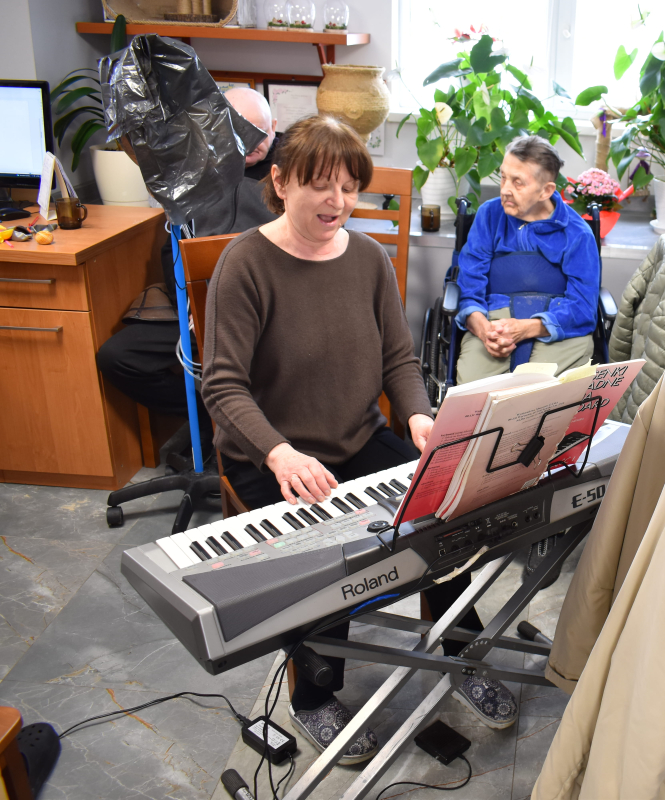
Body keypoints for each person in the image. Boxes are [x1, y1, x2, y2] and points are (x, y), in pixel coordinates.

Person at [201, 117, 516, 765]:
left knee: (446, 512)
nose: (338, 202)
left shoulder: (368, 258)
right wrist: (279, 453)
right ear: (280, 182)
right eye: (321, 185)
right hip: (274, 454)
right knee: (332, 554)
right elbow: (223, 387)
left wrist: (419, 418)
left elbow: (398, 361)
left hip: (356, 437)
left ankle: (461, 649)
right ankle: (314, 695)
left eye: (349, 188)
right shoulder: (246, 264)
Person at [95, 87, 280, 445]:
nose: (249, 143)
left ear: (273, 126)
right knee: (118, 357)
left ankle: (255, 426)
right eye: (237, 132)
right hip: (199, 306)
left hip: (264, 309)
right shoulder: (194, 169)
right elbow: (173, 251)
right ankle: (220, 416)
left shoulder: (295, 168)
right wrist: (191, 303)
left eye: (258, 133)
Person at [455, 135, 601, 384]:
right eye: (503, 177)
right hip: (494, 322)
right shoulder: (489, 216)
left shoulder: (577, 234)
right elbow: (469, 286)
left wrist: (527, 328)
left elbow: (583, 307)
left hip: (558, 327)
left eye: (518, 182)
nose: (505, 190)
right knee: (471, 396)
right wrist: (484, 330)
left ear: (546, 191)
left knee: (539, 394)